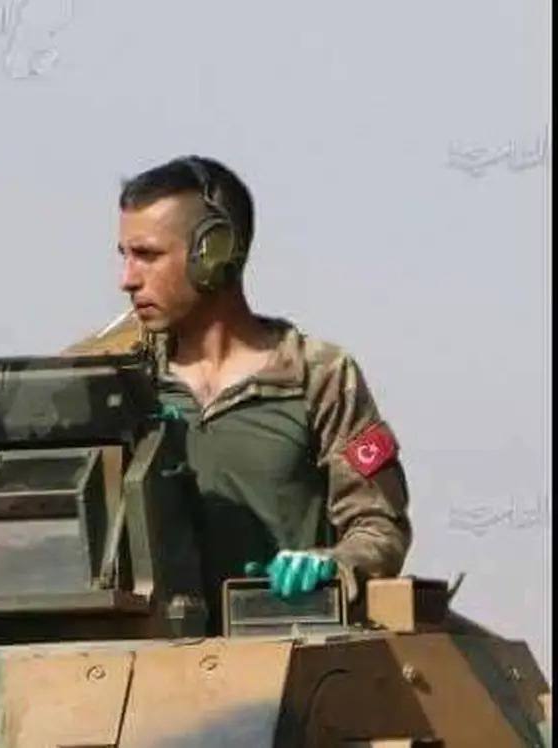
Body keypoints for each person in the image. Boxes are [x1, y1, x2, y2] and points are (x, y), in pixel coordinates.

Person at [65, 156, 411, 631]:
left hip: (279, 646)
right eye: (124, 255)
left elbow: (378, 526)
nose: (127, 279)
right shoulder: (110, 381)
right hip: (146, 654)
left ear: (214, 253)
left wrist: (334, 565)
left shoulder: (318, 376)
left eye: (147, 255)